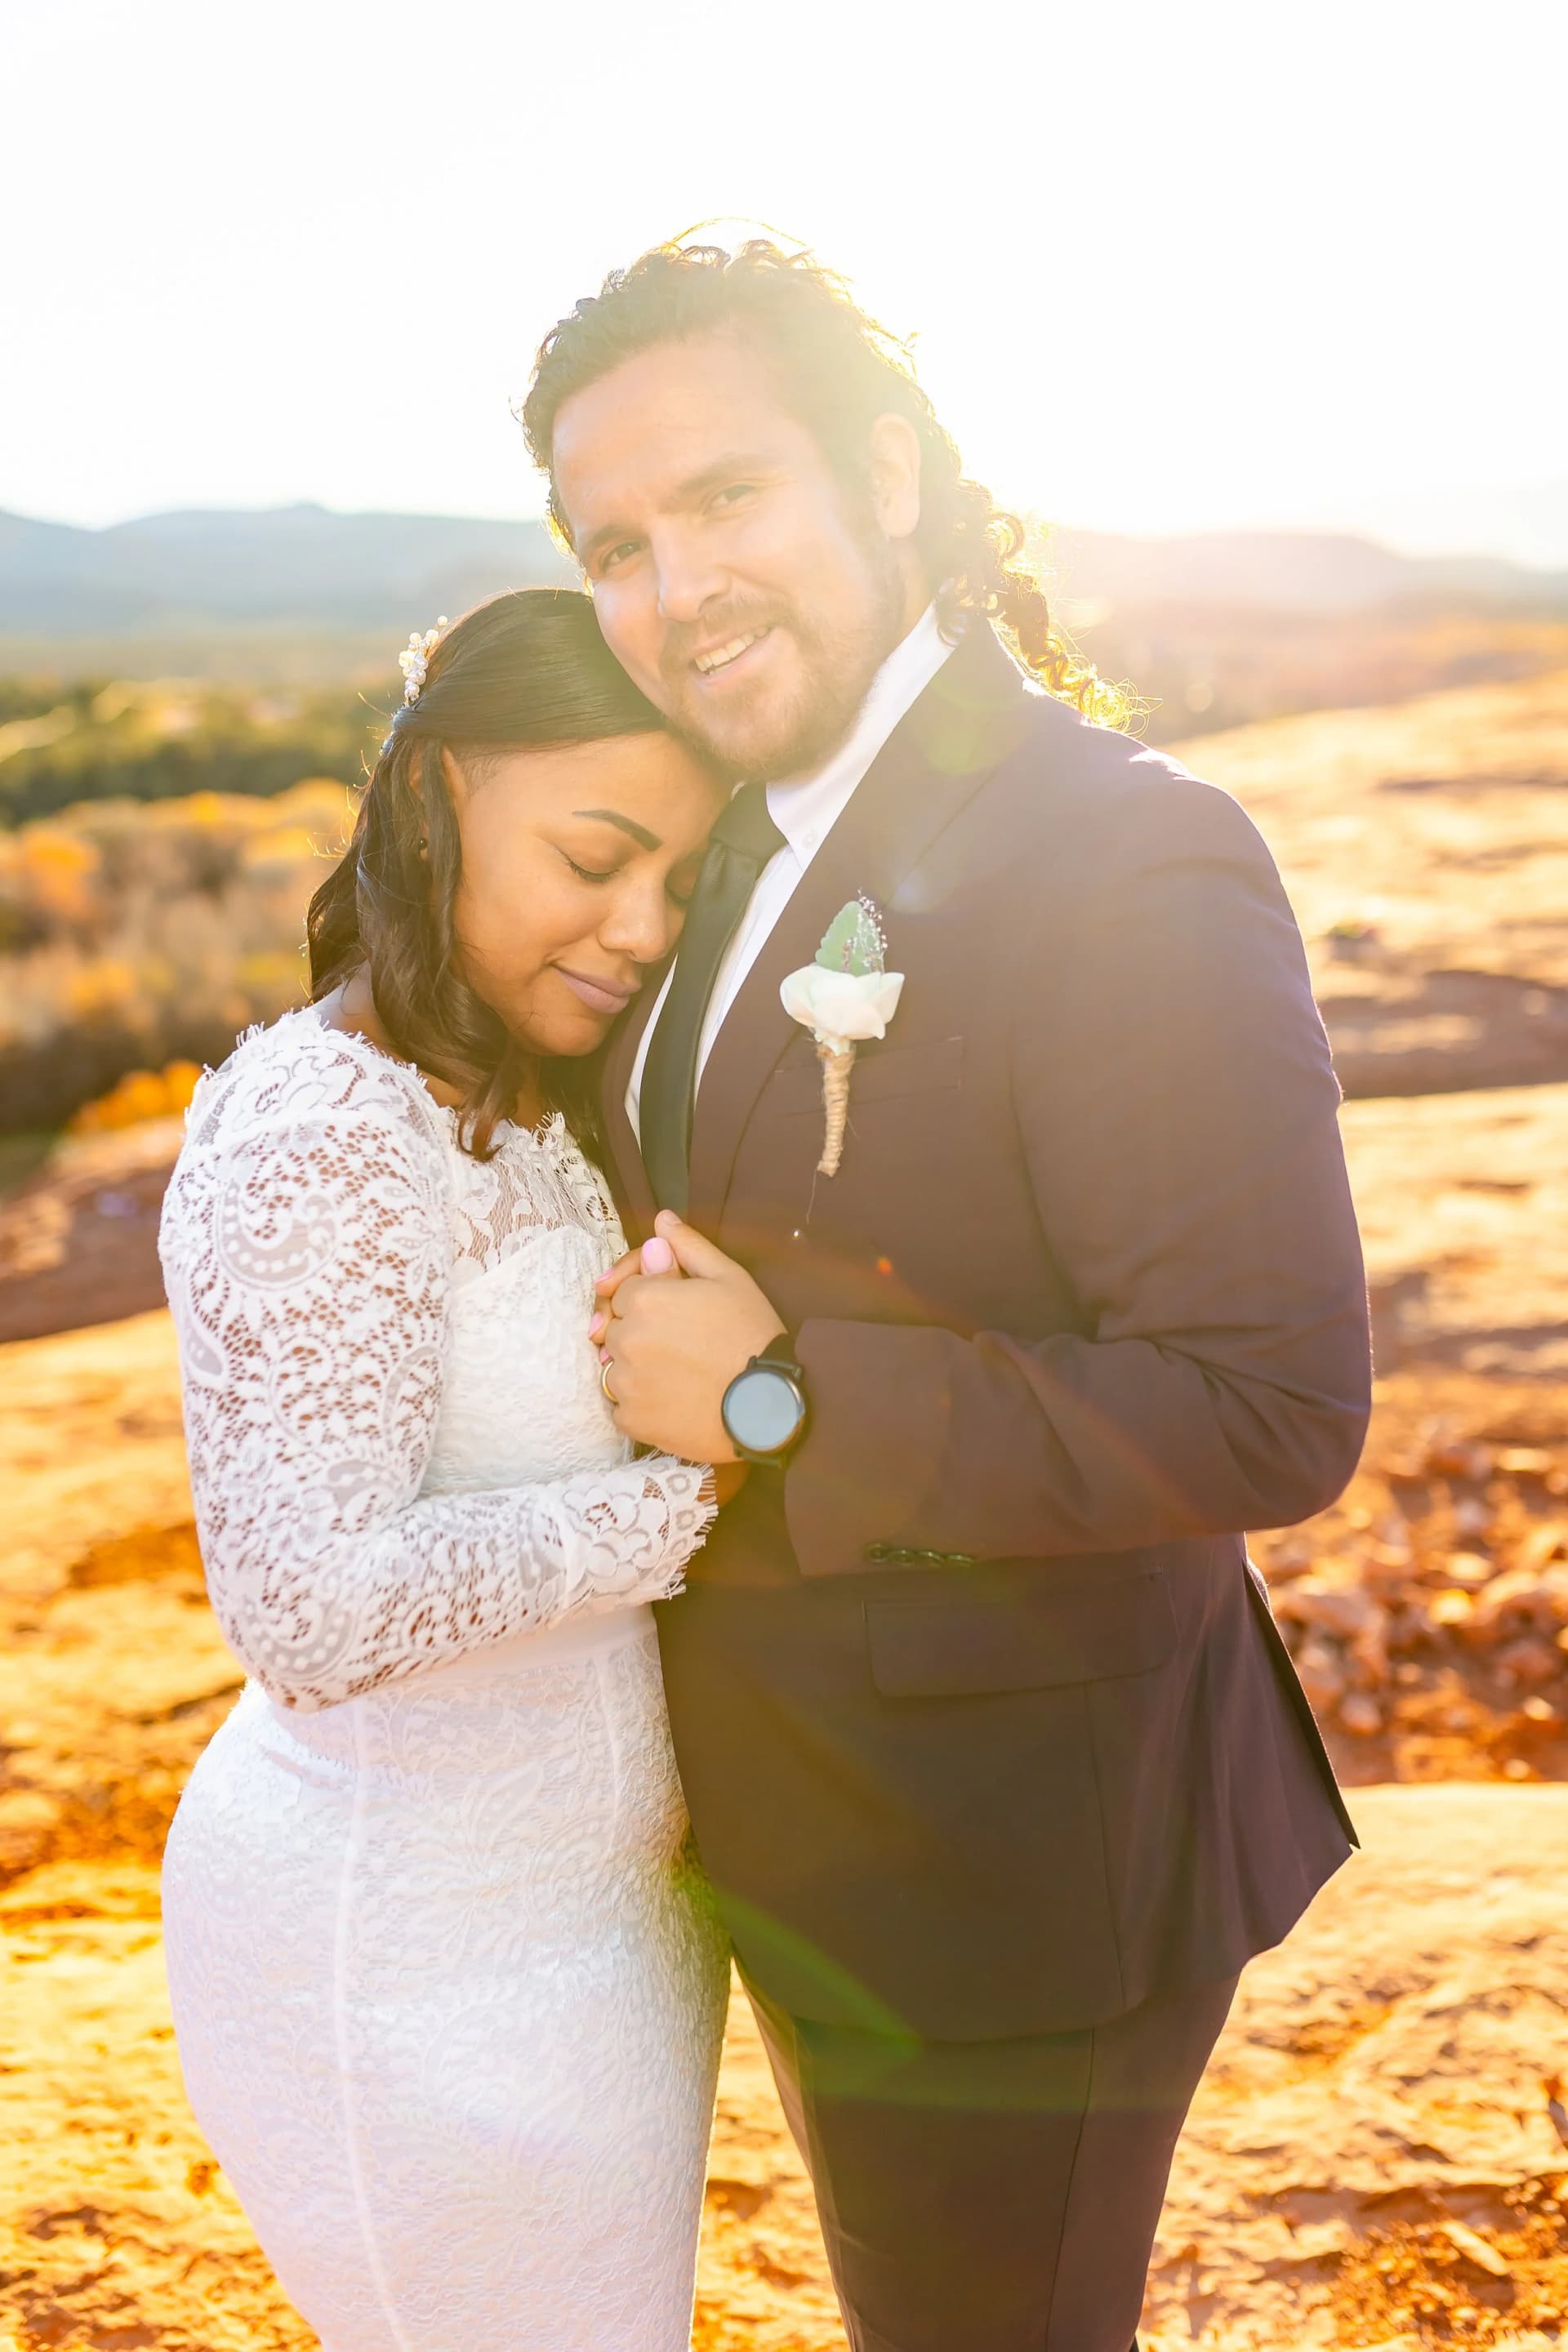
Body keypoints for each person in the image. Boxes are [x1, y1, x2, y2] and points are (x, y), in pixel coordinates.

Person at [520, 239, 1374, 2352]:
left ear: (885, 477)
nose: (671, 588)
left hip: (1021, 1884)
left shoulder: (1126, 856)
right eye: (613, 543)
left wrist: (790, 1404)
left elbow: (1270, 1404)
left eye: (726, 500)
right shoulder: (719, 841)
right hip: (804, 1845)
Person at [157, 589, 733, 2352]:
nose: (640, 927)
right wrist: (703, 1492)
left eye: (679, 884)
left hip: (602, 1933)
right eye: (594, 856)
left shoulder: (521, 1091)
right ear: (436, 802)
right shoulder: (322, 1134)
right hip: (404, 1957)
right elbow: (308, 1611)